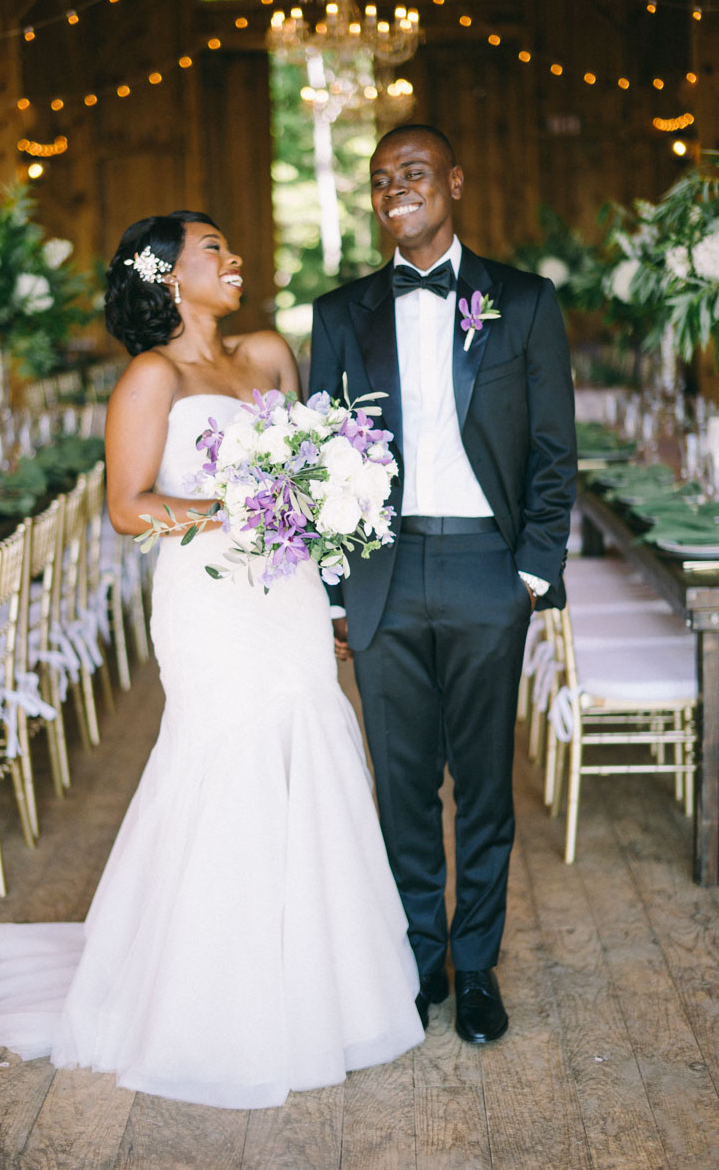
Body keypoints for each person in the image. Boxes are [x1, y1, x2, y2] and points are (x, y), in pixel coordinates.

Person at [0, 210, 424, 1109]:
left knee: (314, 743)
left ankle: (321, 991)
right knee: (226, 757)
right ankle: (213, 1000)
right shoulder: (151, 375)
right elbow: (129, 507)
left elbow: (315, 466)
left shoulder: (267, 354)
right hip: (211, 599)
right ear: (170, 275)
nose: (233, 255)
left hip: (284, 594)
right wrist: (240, 509)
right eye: (214, 247)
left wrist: (319, 542)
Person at [309, 126, 577, 1042]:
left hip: (485, 572)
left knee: (486, 790)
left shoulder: (524, 301)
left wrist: (533, 572)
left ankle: (478, 966)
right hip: (384, 574)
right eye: (382, 180)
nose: (396, 189)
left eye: (413, 172)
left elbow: (552, 450)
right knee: (403, 787)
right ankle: (420, 959)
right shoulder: (339, 314)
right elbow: (319, 463)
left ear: (453, 181)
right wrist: (337, 591)